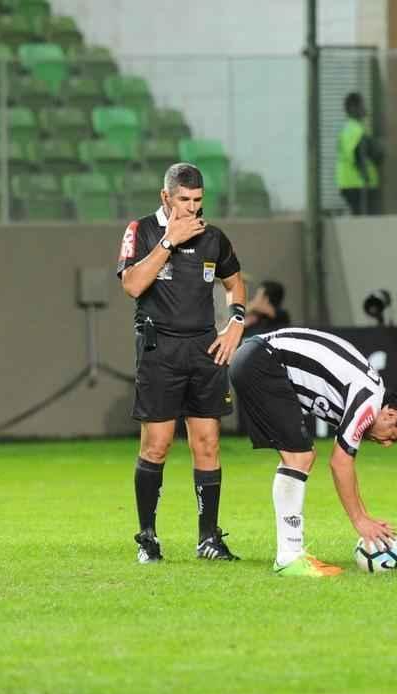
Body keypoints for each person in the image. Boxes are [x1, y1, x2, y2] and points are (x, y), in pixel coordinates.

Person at [117, 163, 246, 564]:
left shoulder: (214, 238)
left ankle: (209, 538)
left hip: (205, 349)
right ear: (165, 198)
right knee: (156, 446)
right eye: (183, 200)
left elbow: (235, 283)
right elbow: (133, 285)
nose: (191, 209)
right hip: (160, 351)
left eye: (197, 201)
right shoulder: (142, 232)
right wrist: (169, 243)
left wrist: (235, 324)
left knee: (207, 443)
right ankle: (147, 538)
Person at [227, 327, 397, 577]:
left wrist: (364, 515)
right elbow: (340, 463)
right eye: (393, 438)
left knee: (299, 457)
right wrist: (359, 521)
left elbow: (346, 463)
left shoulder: (369, 392)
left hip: (257, 357)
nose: (386, 444)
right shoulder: (368, 400)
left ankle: (291, 553)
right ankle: (289, 556)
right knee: (300, 457)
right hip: (263, 361)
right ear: (390, 414)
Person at [336, 92, 382, 215]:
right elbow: (356, 154)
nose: (365, 109)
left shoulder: (358, 128)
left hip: (356, 185)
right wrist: (365, 176)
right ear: (353, 108)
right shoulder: (352, 129)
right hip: (356, 185)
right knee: (364, 221)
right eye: (362, 105)